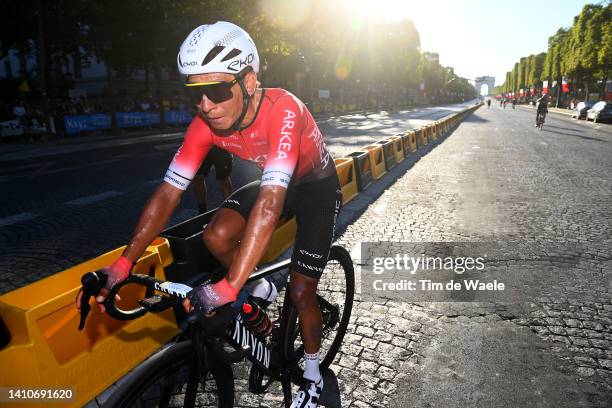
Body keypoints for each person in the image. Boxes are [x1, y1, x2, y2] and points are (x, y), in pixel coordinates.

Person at [75, 21, 341, 408]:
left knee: (302, 293)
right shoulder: (204, 124)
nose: (206, 106)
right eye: (195, 94)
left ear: (249, 81)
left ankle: (314, 374)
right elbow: (168, 193)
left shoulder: (285, 110)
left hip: (314, 187)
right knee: (216, 236)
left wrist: (227, 288)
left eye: (216, 91)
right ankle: (258, 292)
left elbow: (269, 203)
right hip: (273, 179)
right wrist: (122, 263)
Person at [193, 145, 233, 214]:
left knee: (224, 179)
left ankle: (229, 210)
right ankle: (202, 211)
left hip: (220, 145)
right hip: (202, 144)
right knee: (198, 177)